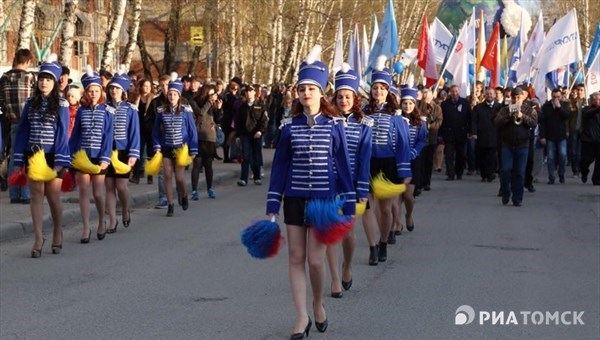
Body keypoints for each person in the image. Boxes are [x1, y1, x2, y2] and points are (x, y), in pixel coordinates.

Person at [266, 47, 355, 339]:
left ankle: (317, 303)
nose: (305, 93)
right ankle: (301, 317)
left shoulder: (334, 125)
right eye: (301, 88)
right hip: (293, 199)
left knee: (316, 262)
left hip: (323, 201)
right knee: (295, 258)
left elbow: (342, 167)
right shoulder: (289, 127)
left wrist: (349, 203)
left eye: (311, 88)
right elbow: (279, 169)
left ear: (321, 93)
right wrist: (271, 207)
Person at [12, 56, 70, 257]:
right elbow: (22, 131)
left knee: (53, 197)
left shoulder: (62, 104)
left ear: (54, 83)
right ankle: (38, 237)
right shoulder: (30, 103)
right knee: (35, 196)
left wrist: (61, 163)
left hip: (54, 156)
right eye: (41, 79)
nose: (44, 82)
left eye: (48, 79)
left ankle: (57, 231)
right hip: (33, 155)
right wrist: (19, 159)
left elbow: (63, 134)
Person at [325, 63, 372, 298]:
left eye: (348, 96)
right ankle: (334, 278)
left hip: (351, 185)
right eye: (340, 96)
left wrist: (362, 188)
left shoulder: (364, 125)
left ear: (355, 99)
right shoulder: (326, 120)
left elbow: (365, 160)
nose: (343, 100)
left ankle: (347, 266)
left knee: (348, 233)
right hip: (329, 183)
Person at [361, 60, 411, 265]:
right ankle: (372, 247)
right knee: (366, 206)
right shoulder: (363, 112)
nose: (378, 92)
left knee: (385, 209)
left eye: (382, 88)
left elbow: (403, 144)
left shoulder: (395, 115)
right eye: (375, 88)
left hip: (388, 163)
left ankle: (383, 241)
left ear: (388, 91)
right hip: (367, 162)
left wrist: (404, 169)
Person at [69, 67, 114, 242]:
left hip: (100, 158)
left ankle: (102, 221)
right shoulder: (81, 111)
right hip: (83, 156)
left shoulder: (108, 111)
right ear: (86, 92)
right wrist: (71, 154)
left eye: (96, 90)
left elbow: (108, 136)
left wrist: (105, 158)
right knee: (83, 192)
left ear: (101, 92)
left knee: (97, 193)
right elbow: (75, 135)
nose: (93, 94)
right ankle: (86, 227)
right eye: (90, 91)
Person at [152, 74, 198, 216]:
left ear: (179, 96)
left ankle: (183, 195)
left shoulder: (186, 110)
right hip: (166, 147)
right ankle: (170, 204)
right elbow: (155, 131)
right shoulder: (161, 111)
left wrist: (193, 148)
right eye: (170, 94)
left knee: (179, 177)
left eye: (174, 94)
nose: (171, 96)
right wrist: (157, 146)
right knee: (166, 175)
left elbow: (192, 130)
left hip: (181, 148)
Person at [390, 85, 427, 242]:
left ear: (415, 104)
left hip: (413, 161)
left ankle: (409, 215)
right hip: (398, 160)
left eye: (410, 103)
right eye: (405, 103)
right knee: (397, 194)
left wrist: (414, 152)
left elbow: (422, 140)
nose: (407, 106)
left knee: (408, 195)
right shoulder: (396, 119)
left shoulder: (420, 122)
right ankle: (397, 223)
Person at [105, 70, 140, 233]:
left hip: (124, 151)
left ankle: (125, 209)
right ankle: (112, 220)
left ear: (123, 91)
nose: (114, 91)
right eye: (112, 88)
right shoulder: (103, 107)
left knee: (121, 186)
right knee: (109, 186)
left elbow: (134, 132)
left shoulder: (131, 109)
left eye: (117, 88)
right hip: (106, 151)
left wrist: (133, 154)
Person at [1, 48, 35, 204]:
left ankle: (14, 193)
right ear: (28, 61)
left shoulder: (4, 77)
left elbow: (1, 100)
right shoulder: (30, 76)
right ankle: (26, 194)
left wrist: (8, 112)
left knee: (14, 156)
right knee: (28, 157)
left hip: (13, 121)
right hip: (28, 121)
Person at [494, 87, 537, 207]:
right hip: (507, 145)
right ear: (511, 98)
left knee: (519, 172)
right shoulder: (504, 109)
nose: (516, 100)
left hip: (522, 145)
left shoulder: (529, 110)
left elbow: (534, 124)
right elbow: (496, 122)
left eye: (518, 97)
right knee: (505, 170)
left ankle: (517, 198)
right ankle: (506, 193)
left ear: (523, 98)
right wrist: (508, 116)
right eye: (514, 97)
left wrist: (522, 116)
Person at [191, 84, 222, 199]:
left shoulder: (212, 104)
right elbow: (200, 113)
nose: (213, 96)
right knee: (197, 164)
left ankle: (210, 188)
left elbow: (218, 119)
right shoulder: (195, 101)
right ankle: (194, 190)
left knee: (208, 164)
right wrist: (209, 102)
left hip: (210, 136)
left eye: (214, 94)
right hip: (199, 136)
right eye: (211, 93)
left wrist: (218, 109)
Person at [235, 84, 268, 186]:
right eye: (247, 91)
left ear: (255, 93)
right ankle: (243, 178)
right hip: (245, 134)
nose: (248, 93)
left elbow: (264, 121)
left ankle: (257, 177)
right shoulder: (242, 107)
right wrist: (238, 136)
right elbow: (238, 122)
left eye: (250, 91)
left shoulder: (261, 106)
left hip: (256, 134)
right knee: (245, 156)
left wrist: (260, 131)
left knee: (256, 156)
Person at [539, 89, 570, 184]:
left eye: (558, 97)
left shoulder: (564, 105)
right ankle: (551, 177)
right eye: (554, 97)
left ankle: (561, 174)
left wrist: (559, 107)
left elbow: (567, 116)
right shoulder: (546, 106)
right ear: (551, 96)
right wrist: (542, 136)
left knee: (562, 155)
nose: (556, 98)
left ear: (561, 97)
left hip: (561, 135)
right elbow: (542, 122)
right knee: (551, 157)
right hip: (550, 136)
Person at [440, 85, 471, 181]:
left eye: (456, 91)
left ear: (459, 91)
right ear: (450, 92)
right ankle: (450, 174)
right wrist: (441, 133)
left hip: (461, 133)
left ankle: (459, 172)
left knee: (460, 154)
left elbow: (469, 118)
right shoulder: (445, 104)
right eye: (453, 91)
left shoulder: (465, 103)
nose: (455, 93)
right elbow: (442, 120)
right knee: (449, 154)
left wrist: (470, 131)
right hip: (449, 133)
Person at [471, 87, 502, 182]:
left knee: (492, 156)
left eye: (491, 94)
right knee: (482, 156)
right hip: (482, 136)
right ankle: (484, 174)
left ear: (494, 95)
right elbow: (474, 122)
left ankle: (491, 173)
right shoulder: (478, 107)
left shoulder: (499, 107)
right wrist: (474, 133)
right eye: (488, 94)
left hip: (495, 135)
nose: (489, 95)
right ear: (485, 95)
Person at [130, 78, 156, 184]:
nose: (146, 88)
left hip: (150, 128)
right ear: (140, 87)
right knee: (138, 151)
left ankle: (150, 175)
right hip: (139, 127)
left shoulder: (153, 99)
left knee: (150, 152)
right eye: (144, 86)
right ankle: (136, 175)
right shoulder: (136, 98)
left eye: (148, 86)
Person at [417, 88, 442, 191]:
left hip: (431, 137)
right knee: (420, 161)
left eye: (428, 95)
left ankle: (427, 182)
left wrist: (430, 126)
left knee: (429, 161)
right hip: (420, 137)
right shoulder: (418, 105)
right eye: (425, 95)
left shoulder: (437, 108)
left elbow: (439, 121)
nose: (426, 97)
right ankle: (419, 182)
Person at [579, 92, 600, 185]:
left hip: (599, 140)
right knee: (586, 160)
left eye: (599, 99)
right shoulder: (587, 109)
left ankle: (596, 179)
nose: (598, 101)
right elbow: (588, 114)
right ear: (591, 101)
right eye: (596, 99)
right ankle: (584, 172)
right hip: (588, 139)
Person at [567, 84, 586, 178]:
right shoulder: (572, 102)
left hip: (584, 130)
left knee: (581, 152)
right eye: (578, 90)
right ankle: (575, 171)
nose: (579, 92)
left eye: (581, 90)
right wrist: (567, 130)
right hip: (574, 129)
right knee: (573, 151)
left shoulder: (587, 102)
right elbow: (568, 117)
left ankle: (582, 170)